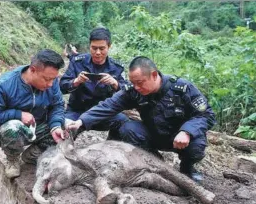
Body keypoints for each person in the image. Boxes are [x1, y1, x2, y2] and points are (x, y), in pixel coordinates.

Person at [67, 56, 216, 182]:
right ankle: (154, 161)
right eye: (133, 83)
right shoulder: (134, 91)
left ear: (154, 75)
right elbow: (108, 105)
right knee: (127, 128)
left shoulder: (182, 88)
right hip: (154, 135)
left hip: (181, 139)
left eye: (140, 82)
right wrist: (81, 121)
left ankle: (187, 169)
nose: (136, 87)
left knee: (197, 143)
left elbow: (207, 115)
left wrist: (187, 132)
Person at [0, 49, 66, 179]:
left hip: (38, 127)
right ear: (32, 70)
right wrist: (17, 114)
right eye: (46, 79)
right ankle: (13, 158)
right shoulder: (4, 85)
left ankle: (32, 154)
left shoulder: (51, 84)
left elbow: (58, 105)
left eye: (53, 79)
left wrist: (55, 126)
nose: (50, 84)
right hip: (10, 132)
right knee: (12, 127)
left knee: (67, 128)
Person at [60, 27, 129, 139]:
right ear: (89, 46)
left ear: (109, 47)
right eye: (94, 48)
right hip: (77, 111)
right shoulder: (77, 62)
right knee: (64, 130)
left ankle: (111, 150)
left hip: (103, 113)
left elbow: (127, 92)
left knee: (125, 123)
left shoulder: (117, 67)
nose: (97, 53)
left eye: (102, 48)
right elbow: (61, 87)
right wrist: (76, 81)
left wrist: (115, 83)